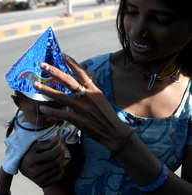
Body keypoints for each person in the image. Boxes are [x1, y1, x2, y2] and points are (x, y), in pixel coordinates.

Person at [18, 0, 192, 194]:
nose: (136, 31)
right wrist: (31, 161)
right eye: (131, 12)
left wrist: (121, 141)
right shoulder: (89, 77)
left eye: (160, 19)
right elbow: (30, 125)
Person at [0, 90, 80, 195]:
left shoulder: (65, 114)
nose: (52, 116)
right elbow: (6, 169)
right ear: (18, 103)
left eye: (58, 106)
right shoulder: (23, 137)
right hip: (55, 183)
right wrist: (1, 192)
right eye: (41, 112)